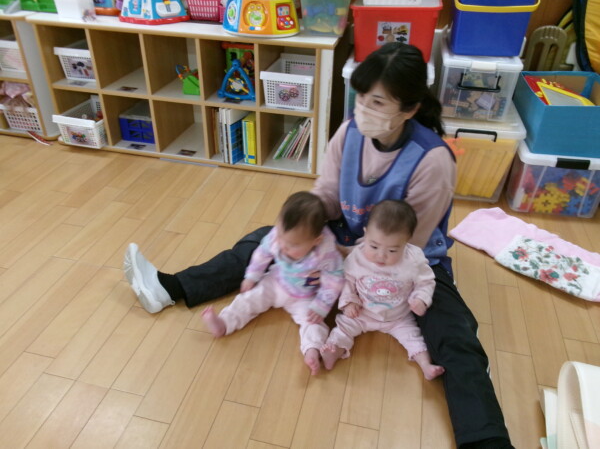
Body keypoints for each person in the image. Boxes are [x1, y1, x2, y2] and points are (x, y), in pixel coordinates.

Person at [123, 43, 513, 448]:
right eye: (362, 97)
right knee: (263, 242)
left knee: (454, 334)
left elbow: (406, 243)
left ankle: (486, 439)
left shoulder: (432, 160)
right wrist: (300, 226)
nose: (364, 109)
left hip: (404, 263)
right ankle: (169, 288)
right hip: (341, 240)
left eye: (377, 102)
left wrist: (337, 262)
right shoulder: (350, 132)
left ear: (409, 109)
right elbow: (327, 193)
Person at [199, 191, 344, 375]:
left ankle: (312, 350)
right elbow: (262, 254)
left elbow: (334, 279)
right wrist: (252, 276)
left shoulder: (326, 253)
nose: (283, 246)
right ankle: (224, 323)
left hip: (305, 296)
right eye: (281, 238)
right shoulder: (278, 236)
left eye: (293, 245)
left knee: (314, 322)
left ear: (316, 241)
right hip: (276, 282)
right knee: (249, 298)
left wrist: (321, 305)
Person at [320, 199, 445, 381]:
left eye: (392, 250)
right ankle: (333, 351)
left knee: (414, 337)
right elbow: (347, 279)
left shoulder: (414, 260)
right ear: (366, 233)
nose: (381, 255)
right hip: (362, 313)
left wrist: (421, 299)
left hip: (398, 317)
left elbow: (426, 281)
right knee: (343, 327)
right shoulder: (357, 257)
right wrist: (349, 302)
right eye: (374, 246)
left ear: (406, 242)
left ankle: (426, 365)